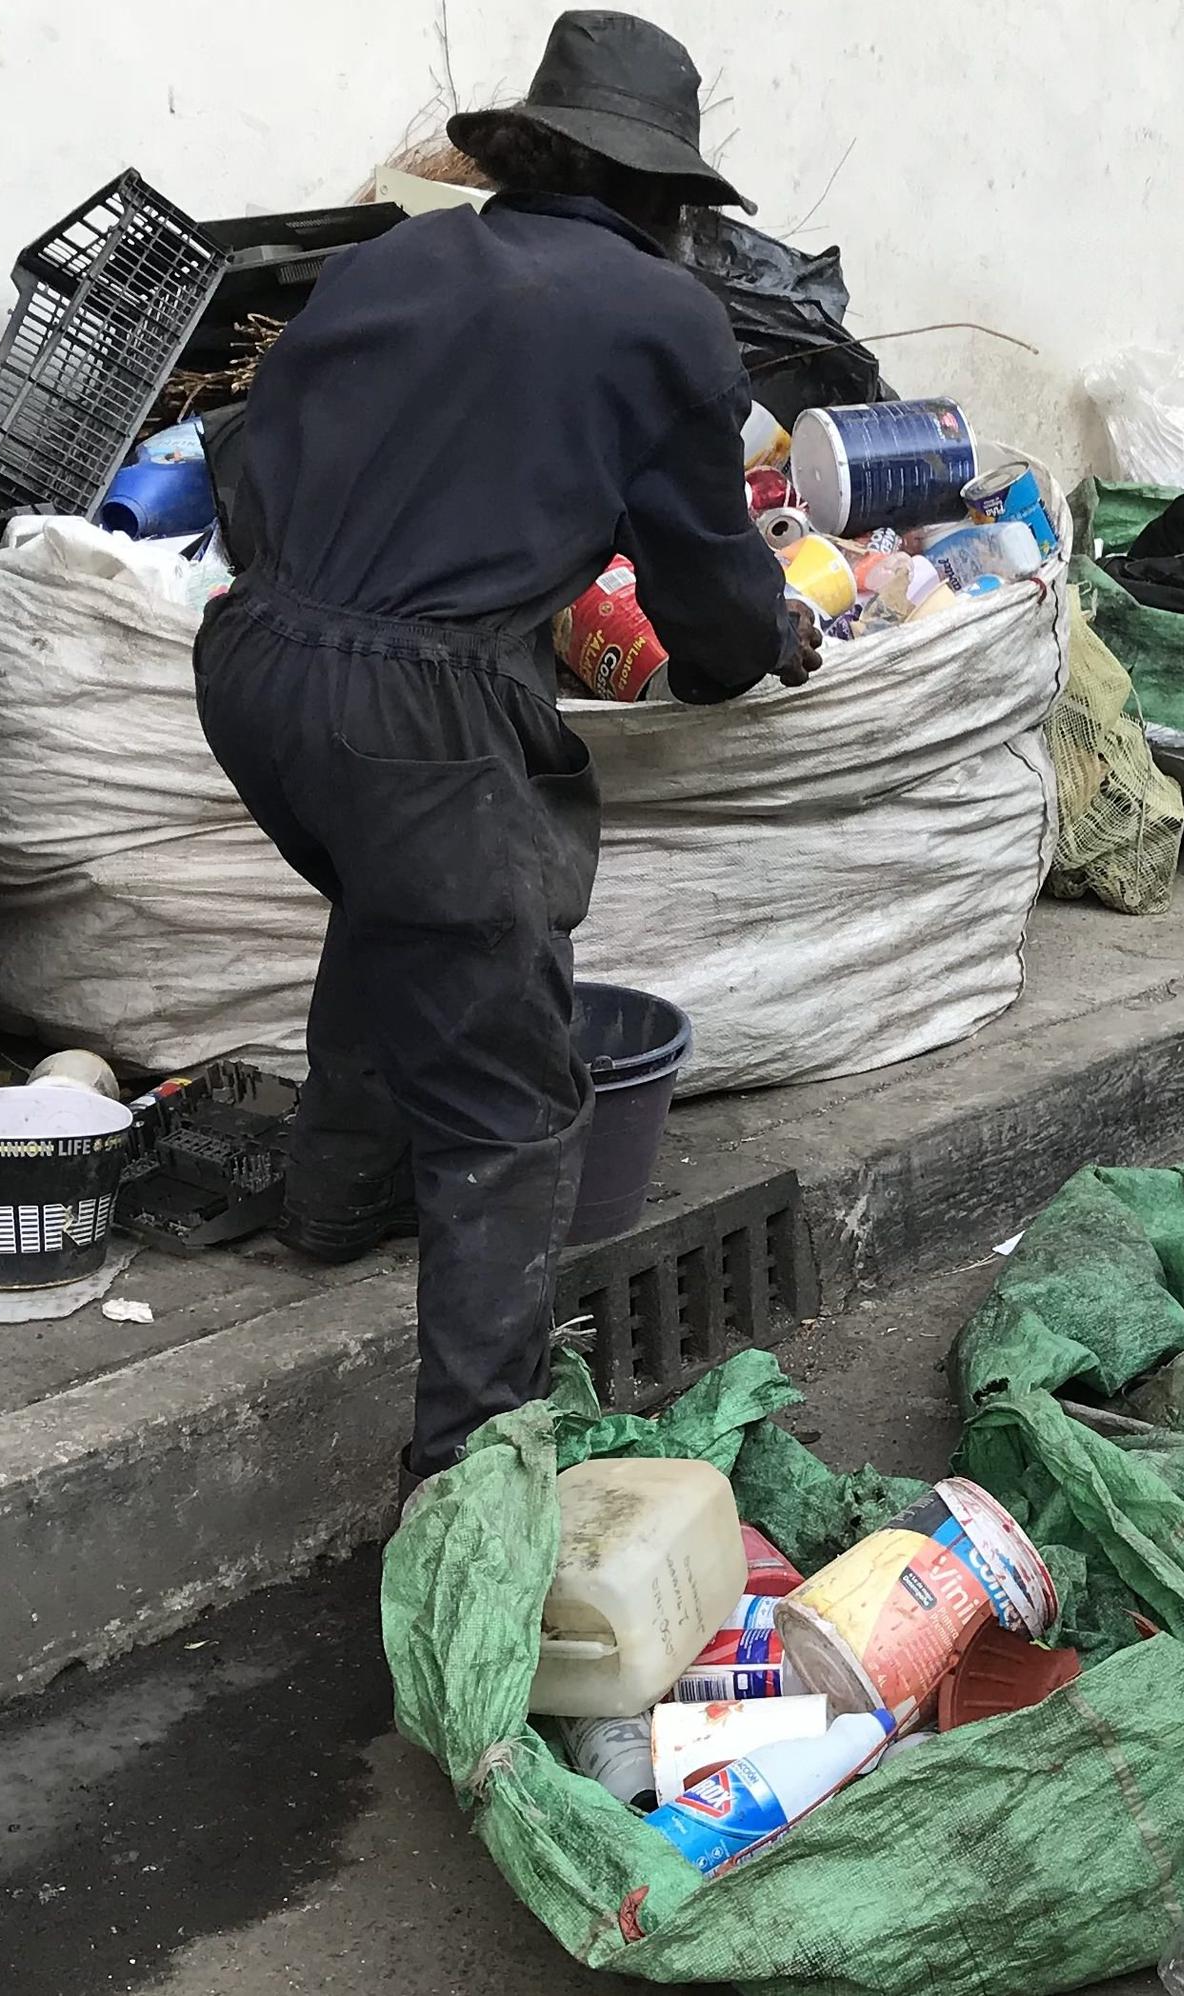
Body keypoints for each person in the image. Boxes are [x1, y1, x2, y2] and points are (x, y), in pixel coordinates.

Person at [195, 10, 818, 1492]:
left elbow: (249, 468)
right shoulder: (664, 318)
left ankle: (337, 1201)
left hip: (253, 663)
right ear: (666, 197)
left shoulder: (399, 256)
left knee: (393, 898)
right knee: (511, 1099)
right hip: (414, 708)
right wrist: (765, 644)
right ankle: (469, 1483)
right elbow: (711, 602)